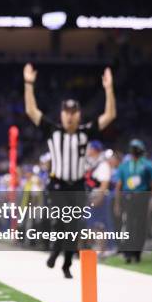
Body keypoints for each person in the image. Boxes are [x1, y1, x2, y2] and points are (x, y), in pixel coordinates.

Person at [23, 63, 116, 278]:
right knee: (59, 219)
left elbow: (109, 115)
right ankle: (56, 250)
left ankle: (65, 262)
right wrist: (29, 84)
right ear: (62, 114)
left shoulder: (85, 132)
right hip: (57, 183)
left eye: (74, 112)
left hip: (77, 184)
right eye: (66, 112)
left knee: (75, 223)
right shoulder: (53, 130)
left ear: (79, 115)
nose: (70, 116)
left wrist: (109, 89)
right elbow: (31, 111)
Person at [114, 139, 152, 263]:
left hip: (142, 197)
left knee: (140, 225)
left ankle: (137, 252)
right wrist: (117, 203)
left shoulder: (147, 164)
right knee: (128, 225)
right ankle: (128, 252)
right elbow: (119, 185)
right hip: (128, 197)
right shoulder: (124, 166)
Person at [83, 140, 114, 255]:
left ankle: (104, 249)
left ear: (95, 150)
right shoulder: (91, 164)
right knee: (91, 224)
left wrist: (99, 198)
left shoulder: (102, 164)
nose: (88, 151)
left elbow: (104, 184)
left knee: (100, 224)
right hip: (91, 196)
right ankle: (97, 248)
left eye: (90, 148)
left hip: (99, 196)